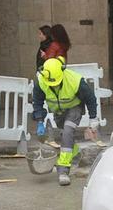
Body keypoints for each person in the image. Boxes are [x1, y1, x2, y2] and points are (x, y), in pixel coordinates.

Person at [33, 58, 98, 186]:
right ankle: (74, 151)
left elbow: (90, 98)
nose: (54, 85)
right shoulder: (41, 82)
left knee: (68, 131)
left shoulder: (75, 81)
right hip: (58, 112)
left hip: (75, 108)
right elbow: (37, 102)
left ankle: (63, 170)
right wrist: (40, 121)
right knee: (65, 137)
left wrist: (93, 118)